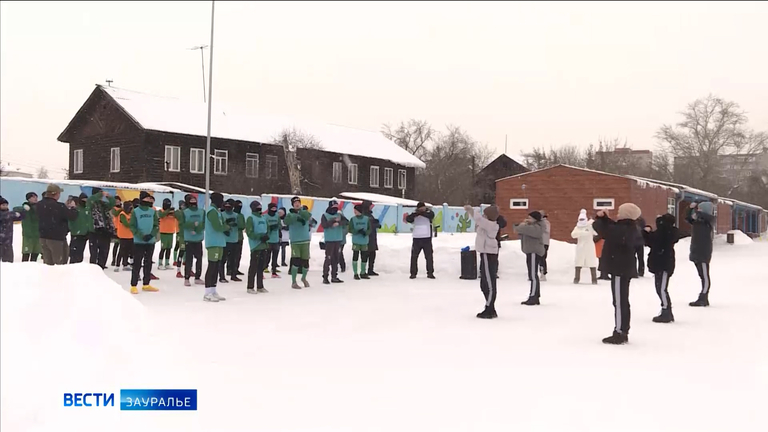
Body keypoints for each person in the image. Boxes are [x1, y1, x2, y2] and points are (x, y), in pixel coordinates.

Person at [592, 203, 643, 345]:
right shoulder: (627, 227)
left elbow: (605, 230)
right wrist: (604, 218)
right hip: (621, 268)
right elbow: (611, 228)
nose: (618, 214)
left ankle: (620, 332)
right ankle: (622, 330)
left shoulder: (626, 229)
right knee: (621, 301)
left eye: (620, 212)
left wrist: (600, 219)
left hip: (620, 269)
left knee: (620, 302)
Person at [643, 213, 686, 323]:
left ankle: (666, 311)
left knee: (661, 289)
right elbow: (652, 241)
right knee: (660, 288)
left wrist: (646, 233)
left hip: (663, 264)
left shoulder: (664, 233)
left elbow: (653, 241)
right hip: (662, 264)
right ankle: (666, 309)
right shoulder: (667, 232)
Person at [464, 205, 500, 318]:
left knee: (489, 283)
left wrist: (471, 210)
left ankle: (489, 309)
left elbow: (478, 219)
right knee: (484, 283)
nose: (483, 215)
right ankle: (490, 306)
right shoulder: (487, 224)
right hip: (484, 253)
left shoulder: (491, 225)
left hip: (489, 254)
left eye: (485, 214)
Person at [128, 192, 160, 294]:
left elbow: (156, 224)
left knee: (148, 262)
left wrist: (152, 234)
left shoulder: (152, 211)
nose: (149, 200)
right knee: (137, 263)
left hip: (150, 241)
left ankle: (146, 284)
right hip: (139, 242)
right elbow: (132, 226)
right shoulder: (136, 211)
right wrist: (141, 235)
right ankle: (133, 285)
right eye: (147, 198)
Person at [513, 211, 546, 305]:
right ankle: (535, 295)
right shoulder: (531, 226)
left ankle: (533, 296)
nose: (527, 219)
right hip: (530, 251)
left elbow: (520, 228)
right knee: (532, 274)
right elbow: (517, 229)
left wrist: (522, 225)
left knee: (533, 275)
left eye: (530, 218)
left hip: (534, 251)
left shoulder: (537, 227)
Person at [687, 201, 715, 307]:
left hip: (703, 251)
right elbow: (688, 218)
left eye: (700, 209)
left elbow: (702, 217)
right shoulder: (698, 221)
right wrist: (690, 209)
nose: (697, 210)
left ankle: (703, 297)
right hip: (696, 250)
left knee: (704, 276)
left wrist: (697, 211)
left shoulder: (706, 221)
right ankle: (703, 297)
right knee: (701, 275)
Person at [203, 192, 229, 301]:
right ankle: (207, 292)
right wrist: (226, 227)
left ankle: (213, 290)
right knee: (212, 266)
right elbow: (217, 227)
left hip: (219, 242)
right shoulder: (212, 211)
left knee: (216, 267)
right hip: (213, 242)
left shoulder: (217, 211)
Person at [283, 197, 313, 289]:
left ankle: (304, 278)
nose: (297, 204)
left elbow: (308, 216)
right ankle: (294, 281)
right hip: (295, 241)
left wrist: (300, 211)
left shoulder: (304, 212)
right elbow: (286, 221)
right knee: (296, 261)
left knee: (305, 261)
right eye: (295, 203)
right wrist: (295, 215)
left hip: (305, 240)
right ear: (292, 205)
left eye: (298, 202)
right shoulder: (290, 214)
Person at [87, 187, 116, 269]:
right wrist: (100, 194)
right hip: (94, 231)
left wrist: (109, 197)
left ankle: (101, 267)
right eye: (99, 193)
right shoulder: (90, 203)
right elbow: (91, 199)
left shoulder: (103, 204)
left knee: (104, 252)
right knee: (94, 253)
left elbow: (112, 204)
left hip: (104, 231)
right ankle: (93, 268)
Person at [245, 200, 270, 294]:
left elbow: (268, 229)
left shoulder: (263, 218)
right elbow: (249, 232)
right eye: (257, 207)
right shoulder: (251, 218)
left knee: (261, 267)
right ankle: (250, 286)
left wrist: (267, 236)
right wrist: (259, 237)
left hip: (264, 244)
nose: (259, 208)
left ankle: (260, 286)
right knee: (253, 266)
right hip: (255, 245)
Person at [321, 199, 348, 284]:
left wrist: (339, 223)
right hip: (329, 240)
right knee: (328, 258)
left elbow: (346, 222)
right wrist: (333, 221)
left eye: (336, 207)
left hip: (338, 239)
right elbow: (324, 225)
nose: (335, 209)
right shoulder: (325, 215)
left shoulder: (339, 215)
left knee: (336, 258)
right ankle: (325, 276)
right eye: (334, 207)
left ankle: (334, 276)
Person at [406, 202, 435, 280]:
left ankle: (430, 272)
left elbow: (431, 216)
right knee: (414, 256)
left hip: (427, 238)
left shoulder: (429, 213)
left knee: (429, 256)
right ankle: (413, 273)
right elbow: (408, 219)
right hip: (417, 238)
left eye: (423, 208)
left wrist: (421, 213)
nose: (422, 209)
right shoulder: (414, 214)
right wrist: (417, 213)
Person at [182, 194, 205, 287]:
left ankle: (197, 277)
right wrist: (191, 225)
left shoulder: (202, 211)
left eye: (194, 200)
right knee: (189, 259)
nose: (193, 202)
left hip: (198, 239)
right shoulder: (185, 212)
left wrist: (199, 228)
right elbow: (182, 224)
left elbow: (204, 223)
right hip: (189, 239)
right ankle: (186, 278)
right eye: (191, 201)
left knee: (199, 258)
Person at [570, 209, 598, 285]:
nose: (581, 221)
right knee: (578, 263)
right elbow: (573, 235)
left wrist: (593, 225)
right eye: (580, 219)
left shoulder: (590, 226)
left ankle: (594, 279)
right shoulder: (577, 227)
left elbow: (596, 233)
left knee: (592, 263)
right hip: (581, 247)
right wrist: (582, 233)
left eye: (583, 219)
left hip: (589, 247)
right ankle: (576, 278)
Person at [220, 199, 242, 283]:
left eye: (230, 206)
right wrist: (225, 229)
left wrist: (238, 223)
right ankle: (222, 276)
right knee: (223, 259)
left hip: (234, 239)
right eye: (226, 206)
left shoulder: (236, 215)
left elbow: (241, 226)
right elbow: (220, 225)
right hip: (224, 240)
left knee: (234, 259)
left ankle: (233, 275)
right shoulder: (222, 214)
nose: (228, 208)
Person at [349, 204, 371, 280]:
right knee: (355, 256)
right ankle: (355, 273)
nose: (354, 212)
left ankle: (363, 272)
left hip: (364, 241)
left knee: (364, 256)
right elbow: (350, 229)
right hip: (356, 241)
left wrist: (366, 233)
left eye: (356, 210)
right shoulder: (353, 219)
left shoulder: (366, 219)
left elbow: (369, 229)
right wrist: (356, 231)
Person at [68, 193, 92, 264]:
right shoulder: (76, 209)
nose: (85, 201)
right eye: (83, 199)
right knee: (73, 253)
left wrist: (88, 230)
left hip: (84, 234)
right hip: (76, 233)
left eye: (86, 199)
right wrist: (72, 229)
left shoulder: (87, 209)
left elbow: (89, 221)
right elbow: (70, 221)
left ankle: (78, 265)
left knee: (80, 253)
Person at [0, 196, 25, 262]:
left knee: (8, 260)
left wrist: (23, 211)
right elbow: (4, 216)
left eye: (6, 205)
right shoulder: (8, 214)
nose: (5, 206)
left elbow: (20, 217)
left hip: (8, 240)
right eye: (3, 205)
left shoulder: (10, 214)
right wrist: (14, 213)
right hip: (1, 240)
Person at [18, 192, 41, 262]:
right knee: (26, 252)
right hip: (28, 234)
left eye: (36, 197)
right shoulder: (25, 208)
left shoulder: (39, 207)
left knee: (36, 251)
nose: (35, 198)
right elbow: (15, 209)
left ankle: (33, 264)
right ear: (28, 199)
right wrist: (24, 207)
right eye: (33, 197)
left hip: (38, 233)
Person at [361, 200, 380, 277]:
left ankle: (370, 270)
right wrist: (375, 224)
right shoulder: (364, 215)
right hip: (367, 237)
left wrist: (376, 223)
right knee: (365, 254)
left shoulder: (369, 215)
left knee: (372, 254)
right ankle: (363, 271)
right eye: (370, 206)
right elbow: (368, 225)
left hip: (372, 237)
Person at [157, 198, 177, 270]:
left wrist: (174, 212)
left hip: (171, 232)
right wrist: (167, 211)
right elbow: (161, 215)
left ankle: (167, 263)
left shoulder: (172, 212)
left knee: (169, 248)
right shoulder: (160, 211)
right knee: (163, 248)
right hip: (163, 232)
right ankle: (160, 263)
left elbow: (178, 216)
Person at [114, 200, 134, 272]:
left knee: (128, 251)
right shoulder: (122, 214)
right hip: (123, 236)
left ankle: (125, 264)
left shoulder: (131, 214)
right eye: (130, 208)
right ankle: (117, 265)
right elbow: (126, 224)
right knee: (121, 251)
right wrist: (133, 223)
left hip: (130, 236)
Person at [264, 202, 282, 278]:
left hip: (276, 239)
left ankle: (274, 271)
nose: (274, 210)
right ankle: (264, 268)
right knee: (267, 256)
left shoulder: (277, 216)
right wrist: (270, 228)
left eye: (275, 208)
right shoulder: (265, 217)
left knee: (275, 256)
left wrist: (279, 230)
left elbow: (280, 225)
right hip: (268, 240)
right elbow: (264, 226)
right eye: (272, 208)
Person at [173, 200, 187, 277]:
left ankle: (188, 267)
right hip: (180, 233)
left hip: (188, 235)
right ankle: (178, 269)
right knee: (179, 248)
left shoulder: (187, 212)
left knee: (187, 252)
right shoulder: (178, 212)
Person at [233, 200, 246, 277]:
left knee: (238, 254)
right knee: (232, 254)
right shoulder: (233, 214)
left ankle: (236, 268)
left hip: (240, 237)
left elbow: (243, 226)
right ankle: (230, 269)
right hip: (233, 237)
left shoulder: (241, 215)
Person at [110, 196, 123, 267]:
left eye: (118, 201)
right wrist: (121, 209)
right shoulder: (113, 208)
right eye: (116, 201)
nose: (117, 202)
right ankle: (114, 259)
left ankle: (119, 259)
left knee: (122, 245)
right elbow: (115, 214)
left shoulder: (122, 208)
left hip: (122, 228)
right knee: (116, 244)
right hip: (116, 228)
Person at [539, 211, 551, 281]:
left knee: (542, 258)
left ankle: (543, 272)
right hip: (539, 242)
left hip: (544, 242)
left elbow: (547, 230)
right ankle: (540, 271)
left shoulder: (546, 223)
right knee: (539, 258)